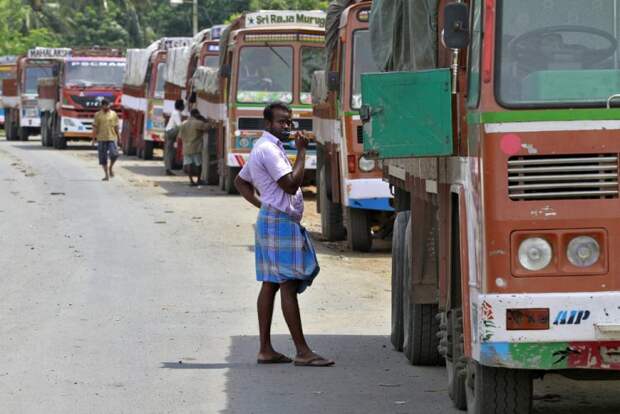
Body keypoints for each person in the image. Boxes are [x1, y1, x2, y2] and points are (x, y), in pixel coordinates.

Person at [234, 102, 334, 367]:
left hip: (272, 218)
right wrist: (302, 153)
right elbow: (290, 185)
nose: (287, 127)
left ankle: (266, 349)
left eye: (289, 122)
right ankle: (302, 351)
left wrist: (264, 204)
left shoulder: (264, 147)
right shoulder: (269, 150)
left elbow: (241, 181)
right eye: (281, 122)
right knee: (287, 283)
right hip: (279, 222)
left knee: (270, 283)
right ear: (268, 124)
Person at [178, 109, 211, 187]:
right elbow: (208, 127)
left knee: (188, 164)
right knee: (198, 164)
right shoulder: (198, 123)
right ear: (197, 114)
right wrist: (204, 119)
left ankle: (191, 181)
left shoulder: (184, 123)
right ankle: (198, 180)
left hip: (186, 147)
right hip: (196, 147)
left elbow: (179, 136)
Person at [92, 99, 119, 181]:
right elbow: (95, 128)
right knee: (103, 158)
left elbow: (116, 126)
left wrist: (119, 137)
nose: (107, 107)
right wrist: (94, 139)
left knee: (114, 154)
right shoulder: (97, 115)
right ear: (102, 106)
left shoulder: (114, 114)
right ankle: (106, 175)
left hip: (112, 137)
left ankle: (110, 167)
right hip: (101, 139)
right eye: (105, 105)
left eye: (108, 105)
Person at [164, 99, 184, 176]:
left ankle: (168, 168)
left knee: (170, 151)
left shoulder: (176, 112)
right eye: (183, 105)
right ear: (180, 106)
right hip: (170, 132)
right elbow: (179, 125)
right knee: (169, 151)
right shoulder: (176, 113)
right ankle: (168, 169)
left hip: (170, 132)